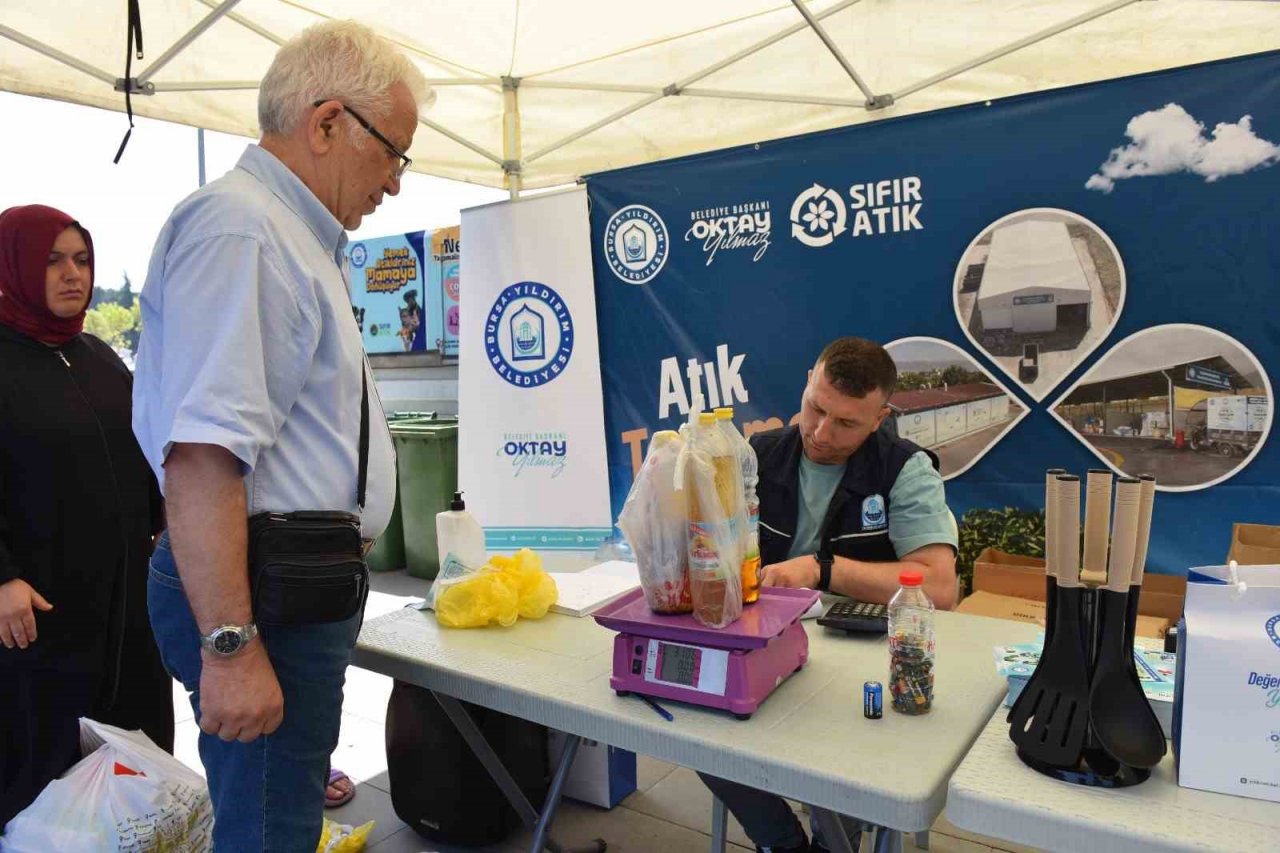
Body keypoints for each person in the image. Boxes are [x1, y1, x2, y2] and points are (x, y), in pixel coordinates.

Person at [132, 21, 430, 850]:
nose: (397, 184)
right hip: (261, 593)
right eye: (393, 153)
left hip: (288, 585)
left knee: (281, 812)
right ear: (328, 122)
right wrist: (230, 645)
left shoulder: (291, 234)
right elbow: (201, 456)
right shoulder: (245, 230)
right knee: (270, 827)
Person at [699, 336, 958, 853]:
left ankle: (835, 839)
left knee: (851, 745)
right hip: (765, 647)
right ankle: (785, 844)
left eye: (846, 423)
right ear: (807, 384)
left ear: (881, 416)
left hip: (859, 661)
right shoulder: (757, 455)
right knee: (697, 727)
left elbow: (941, 586)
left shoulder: (904, 470)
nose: (821, 432)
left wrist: (824, 569)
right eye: (816, 408)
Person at [0, 205, 172, 827]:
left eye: (81, 259)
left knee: (134, 747)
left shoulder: (97, 354)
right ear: (14, 266)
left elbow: (138, 444)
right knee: (47, 760)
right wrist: (3, 577)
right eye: (52, 260)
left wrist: (163, 518)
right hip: (41, 608)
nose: (73, 275)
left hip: (124, 604)